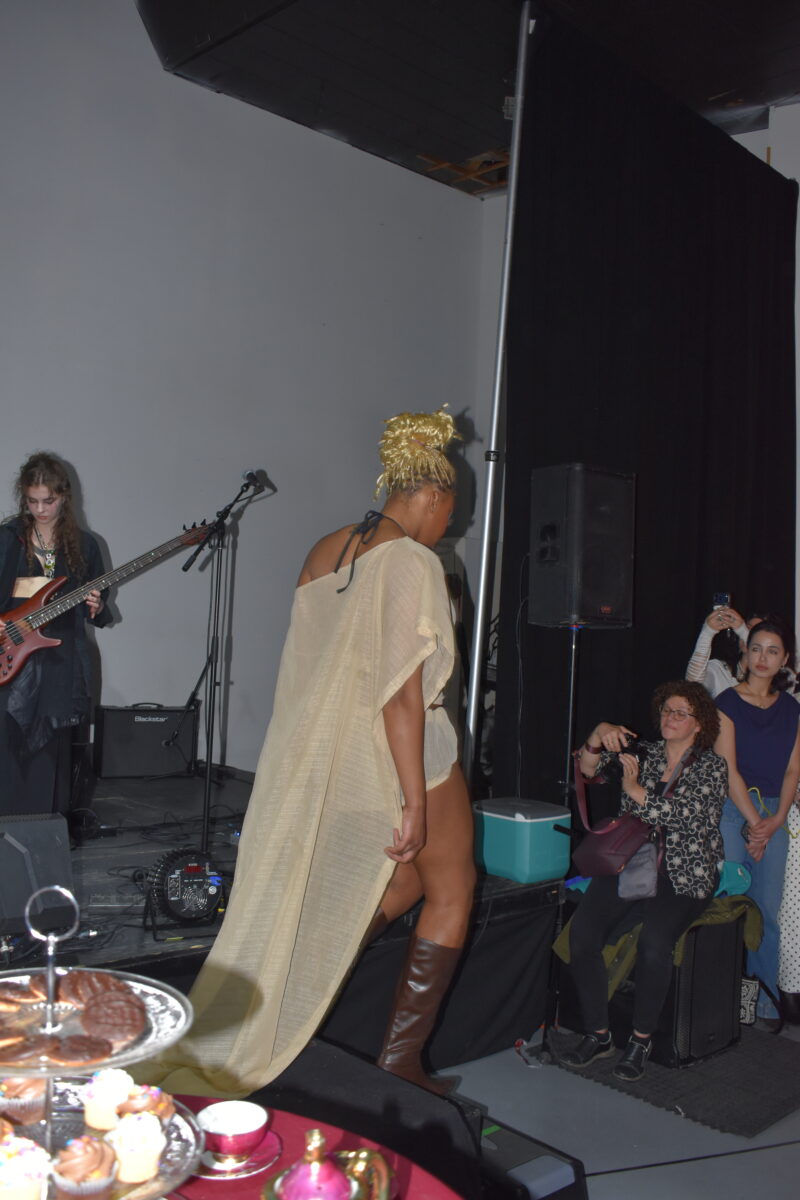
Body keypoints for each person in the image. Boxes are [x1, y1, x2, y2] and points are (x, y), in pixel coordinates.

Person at [146, 408, 475, 1098]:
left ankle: (292, 1000)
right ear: (430, 495)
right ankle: (401, 1064)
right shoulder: (413, 561)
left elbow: (305, 674)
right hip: (408, 753)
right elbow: (402, 696)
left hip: (334, 760)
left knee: (400, 885)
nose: (450, 525)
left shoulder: (324, 551)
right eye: (451, 511)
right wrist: (413, 801)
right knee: (453, 888)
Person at [561, 681, 727, 1082]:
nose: (670, 718)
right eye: (667, 710)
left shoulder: (712, 767)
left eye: (681, 713)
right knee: (582, 935)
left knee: (654, 943)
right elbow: (587, 769)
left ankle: (640, 1040)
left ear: (699, 724)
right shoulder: (643, 753)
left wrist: (636, 792)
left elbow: (689, 818)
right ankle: (599, 1034)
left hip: (684, 872)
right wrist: (598, 734)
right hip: (632, 862)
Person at [0, 453, 109, 815]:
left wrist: (96, 605)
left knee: (51, 757)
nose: (40, 509)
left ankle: (48, 834)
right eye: (32, 501)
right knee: (9, 750)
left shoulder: (86, 545)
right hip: (11, 659)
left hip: (61, 663)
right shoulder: (8, 538)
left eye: (48, 501)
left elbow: (100, 609)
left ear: (64, 496)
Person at [716, 620, 800, 1022]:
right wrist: (755, 824)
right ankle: (717, 1000)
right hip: (734, 810)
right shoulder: (727, 702)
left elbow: (793, 770)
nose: (763, 658)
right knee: (728, 903)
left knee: (767, 909)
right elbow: (728, 770)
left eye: (772, 650)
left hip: (775, 813)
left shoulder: (792, 708)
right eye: (756, 648)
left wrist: (776, 819)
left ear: (785, 659)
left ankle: (763, 1001)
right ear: (745, 654)